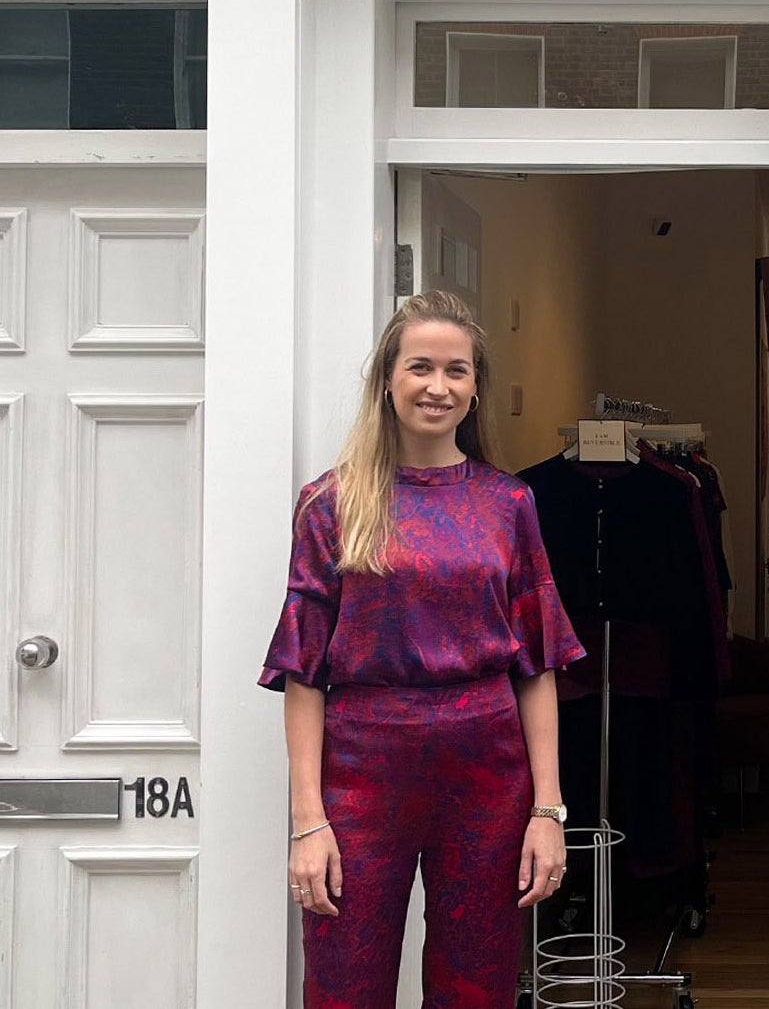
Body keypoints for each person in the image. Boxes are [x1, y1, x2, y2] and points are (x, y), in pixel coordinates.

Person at [261, 290, 585, 1008]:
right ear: (388, 380)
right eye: (420, 367)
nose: (438, 386)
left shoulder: (509, 505)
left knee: (478, 985)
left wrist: (549, 809)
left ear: (475, 391)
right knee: (345, 982)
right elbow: (303, 673)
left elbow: (535, 665)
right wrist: (307, 821)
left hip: (488, 774)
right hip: (362, 772)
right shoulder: (332, 505)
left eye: (457, 372)